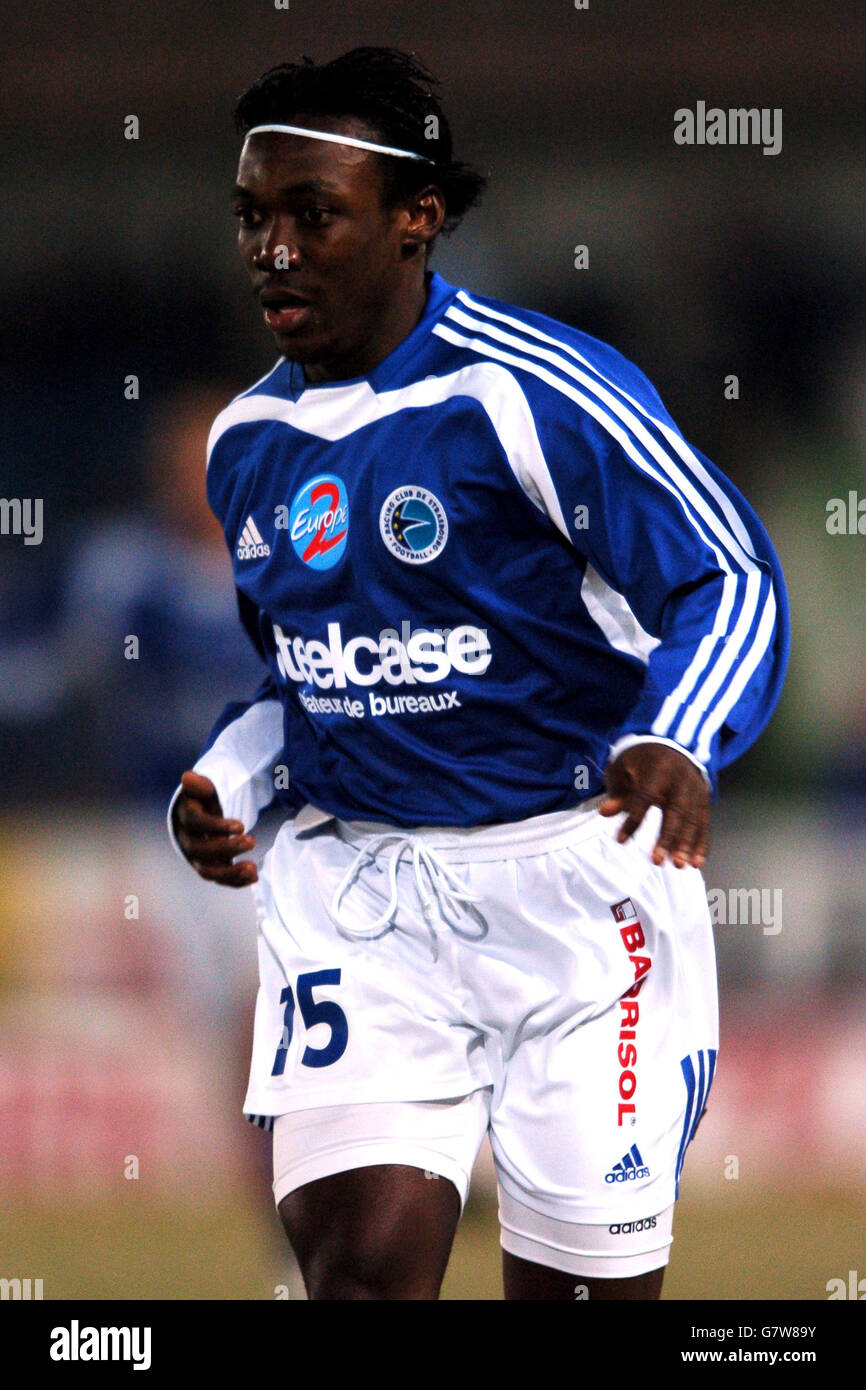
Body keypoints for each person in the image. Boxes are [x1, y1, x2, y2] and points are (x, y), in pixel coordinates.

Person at [169, 46, 788, 1300]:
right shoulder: (245, 445)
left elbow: (728, 576)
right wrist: (225, 770)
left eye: (311, 213)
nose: (271, 249)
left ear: (415, 219)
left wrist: (678, 734)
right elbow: (308, 680)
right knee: (359, 1274)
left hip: (578, 887)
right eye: (252, 216)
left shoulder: (536, 394)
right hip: (362, 896)